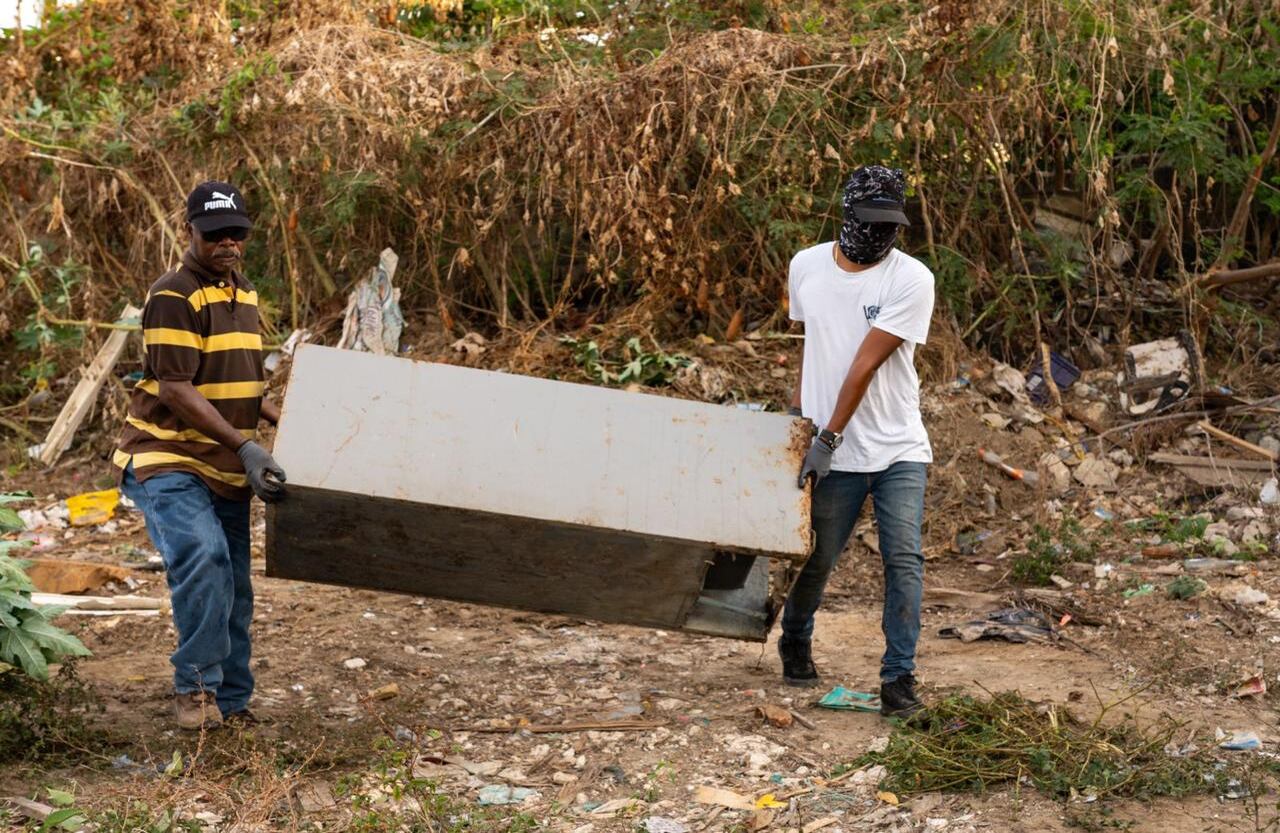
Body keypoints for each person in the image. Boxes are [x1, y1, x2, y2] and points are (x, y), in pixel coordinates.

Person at [114, 181, 287, 730]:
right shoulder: (174, 294)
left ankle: (230, 702)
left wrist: (290, 423)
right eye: (214, 235)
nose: (227, 244)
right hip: (167, 457)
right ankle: (195, 690)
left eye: (236, 233)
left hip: (225, 467)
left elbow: (240, 380)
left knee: (234, 583)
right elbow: (175, 387)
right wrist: (245, 445)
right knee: (205, 558)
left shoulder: (245, 292)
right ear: (189, 230)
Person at [782, 165, 935, 718]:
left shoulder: (911, 279)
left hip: (896, 446)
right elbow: (813, 348)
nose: (879, 235)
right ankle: (795, 638)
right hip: (829, 447)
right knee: (816, 558)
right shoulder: (805, 266)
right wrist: (799, 421)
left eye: (889, 225)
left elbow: (863, 365)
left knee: (904, 558)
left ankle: (899, 680)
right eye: (869, 222)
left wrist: (827, 434)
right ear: (846, 215)